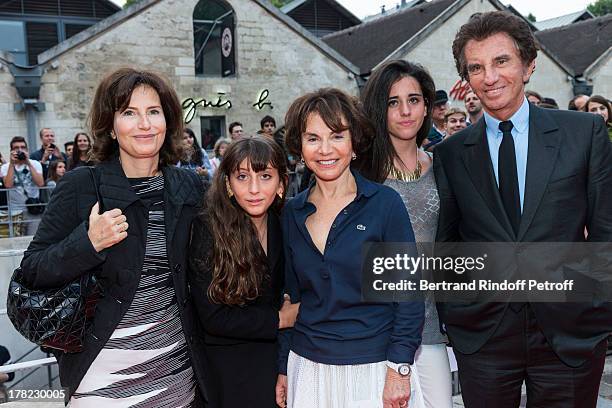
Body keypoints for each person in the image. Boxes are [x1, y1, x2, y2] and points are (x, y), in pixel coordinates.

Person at [435, 11, 612, 407]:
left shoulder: (583, 133)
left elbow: (606, 231)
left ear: (529, 65)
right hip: (483, 337)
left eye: (501, 61)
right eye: (476, 67)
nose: (490, 77)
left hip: (570, 335)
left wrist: (597, 309)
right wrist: (459, 311)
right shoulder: (449, 154)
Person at [19, 68, 208, 406]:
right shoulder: (81, 186)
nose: (144, 124)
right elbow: (32, 269)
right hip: (101, 381)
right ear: (110, 124)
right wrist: (87, 244)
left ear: (169, 120)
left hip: (177, 377)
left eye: (153, 112)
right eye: (129, 113)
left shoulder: (190, 186)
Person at [276, 88, 424, 408]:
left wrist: (399, 368)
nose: (325, 149)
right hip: (308, 367)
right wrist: (282, 367)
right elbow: (291, 298)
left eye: (337, 136)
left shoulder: (384, 204)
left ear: (354, 142)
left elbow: (409, 293)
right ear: (299, 148)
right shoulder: (291, 213)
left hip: (374, 368)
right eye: (313, 138)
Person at [360, 59, 453, 408]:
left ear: (427, 105)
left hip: (432, 325)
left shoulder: (443, 165)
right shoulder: (360, 174)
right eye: (393, 102)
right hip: (376, 326)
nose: (405, 111)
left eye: (413, 100)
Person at [188, 136, 298, 407]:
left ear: (282, 183)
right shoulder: (207, 229)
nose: (253, 189)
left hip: (277, 360)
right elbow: (212, 317)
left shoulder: (285, 224)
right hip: (227, 367)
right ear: (228, 183)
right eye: (242, 177)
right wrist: (279, 320)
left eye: (265, 176)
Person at [0, 136, 45, 235]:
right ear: (11, 151)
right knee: (16, 240)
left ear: (27, 150)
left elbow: (40, 183)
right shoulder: (5, 167)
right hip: (15, 211)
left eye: (23, 147)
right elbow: (8, 185)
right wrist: (12, 164)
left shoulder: (35, 164)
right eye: (16, 148)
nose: (20, 150)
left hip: (33, 209)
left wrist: (28, 163)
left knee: (33, 239)